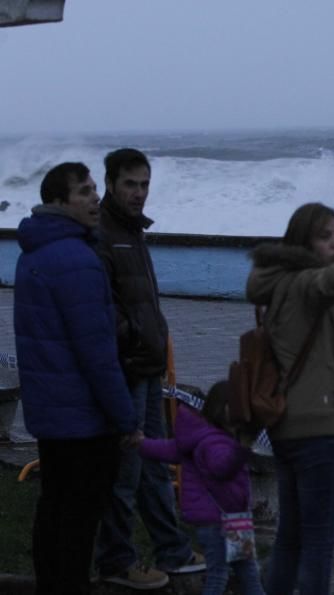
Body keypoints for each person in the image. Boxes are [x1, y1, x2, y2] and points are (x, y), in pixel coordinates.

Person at [14, 162, 138, 594]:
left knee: (53, 513)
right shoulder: (78, 262)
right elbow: (98, 354)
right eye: (84, 192)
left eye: (92, 190)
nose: (95, 199)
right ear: (58, 202)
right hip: (83, 419)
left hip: (51, 413)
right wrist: (125, 416)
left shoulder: (33, 253)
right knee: (78, 524)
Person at [245, 202, 334, 594]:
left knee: (291, 536)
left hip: (286, 427)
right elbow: (330, 282)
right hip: (317, 428)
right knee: (319, 542)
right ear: (304, 243)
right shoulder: (307, 284)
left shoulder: (278, 282)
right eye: (325, 236)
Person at [94, 148, 204, 589]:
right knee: (126, 473)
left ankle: (172, 551)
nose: (139, 193)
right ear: (110, 184)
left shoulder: (131, 231)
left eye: (144, 184)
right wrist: (137, 340)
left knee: (155, 466)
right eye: (130, 184)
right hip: (128, 368)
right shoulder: (103, 234)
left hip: (147, 365)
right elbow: (106, 306)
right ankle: (117, 562)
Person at [138, 382, 265, 595]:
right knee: (227, 574)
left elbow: (168, 449)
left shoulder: (200, 439)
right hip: (219, 522)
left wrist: (142, 444)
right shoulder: (215, 443)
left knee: (243, 571)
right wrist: (242, 450)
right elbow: (222, 467)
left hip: (231, 520)